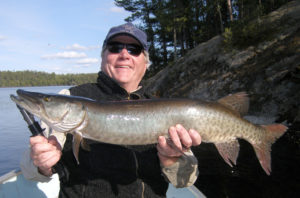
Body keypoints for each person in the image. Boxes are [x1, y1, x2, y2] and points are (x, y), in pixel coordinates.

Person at [20, 22, 202, 198]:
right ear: (103, 57)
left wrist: (170, 159)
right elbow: (29, 170)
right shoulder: (70, 97)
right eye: (115, 47)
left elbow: (185, 181)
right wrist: (41, 163)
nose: (124, 54)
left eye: (134, 49)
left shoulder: (165, 110)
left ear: (145, 63)